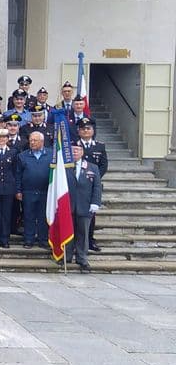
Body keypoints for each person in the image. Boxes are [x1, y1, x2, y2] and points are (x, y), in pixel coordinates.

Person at [66, 143, 102, 273]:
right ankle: (67, 256)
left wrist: (95, 203)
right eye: (72, 150)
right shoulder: (64, 167)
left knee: (83, 233)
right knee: (68, 233)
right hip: (68, 206)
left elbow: (97, 187)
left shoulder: (92, 167)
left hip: (85, 206)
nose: (75, 152)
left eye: (77, 150)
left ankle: (82, 258)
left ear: (82, 152)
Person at [77, 117, 108, 252]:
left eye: (88, 128)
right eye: (83, 129)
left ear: (93, 130)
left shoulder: (100, 146)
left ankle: (90, 240)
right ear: (78, 131)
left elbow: (104, 165)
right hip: (77, 184)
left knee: (91, 215)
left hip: (92, 186)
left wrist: (93, 178)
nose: (85, 131)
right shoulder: (74, 145)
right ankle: (77, 242)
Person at [16, 131, 51, 249]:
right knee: (28, 216)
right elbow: (18, 174)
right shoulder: (22, 156)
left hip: (45, 192)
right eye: (30, 140)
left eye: (35, 140)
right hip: (28, 191)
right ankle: (29, 240)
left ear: (42, 141)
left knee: (43, 217)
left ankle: (43, 239)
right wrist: (18, 190)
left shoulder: (51, 155)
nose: (32, 142)